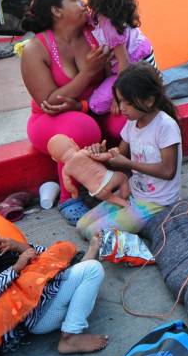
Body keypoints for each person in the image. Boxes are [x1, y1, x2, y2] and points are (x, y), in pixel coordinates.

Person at [0, 205, 109, 355]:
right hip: (37, 315)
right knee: (92, 270)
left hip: (47, 293)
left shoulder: (0, 248)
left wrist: (18, 247)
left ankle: (86, 262)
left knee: (62, 265)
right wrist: (16, 268)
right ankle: (71, 336)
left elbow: (43, 257)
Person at [20, 0, 124, 224]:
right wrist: (87, 73)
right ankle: (69, 197)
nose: (84, 4)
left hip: (94, 108)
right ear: (57, 11)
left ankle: (125, 176)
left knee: (125, 121)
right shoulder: (36, 49)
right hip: (50, 121)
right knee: (81, 127)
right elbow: (51, 101)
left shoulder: (95, 32)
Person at [77, 64, 182, 240]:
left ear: (149, 100)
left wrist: (127, 164)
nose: (122, 108)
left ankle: (144, 230)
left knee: (92, 233)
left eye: (128, 102)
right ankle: (133, 226)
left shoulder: (165, 126)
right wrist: (102, 155)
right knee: (81, 226)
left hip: (157, 203)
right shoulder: (133, 122)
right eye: (119, 101)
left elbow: (167, 171)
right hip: (134, 193)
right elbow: (119, 154)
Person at [84, 0, 155, 116]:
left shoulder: (111, 26)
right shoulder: (99, 15)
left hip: (134, 68)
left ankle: (134, 96)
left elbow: (124, 64)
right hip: (137, 61)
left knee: (95, 104)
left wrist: (118, 97)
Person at [48, 135, 130, 209]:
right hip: (109, 179)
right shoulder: (83, 152)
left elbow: (68, 186)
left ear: (55, 159)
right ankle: (126, 196)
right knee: (123, 177)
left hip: (98, 192)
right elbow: (100, 157)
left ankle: (125, 204)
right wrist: (112, 154)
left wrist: (74, 193)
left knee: (111, 198)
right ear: (73, 143)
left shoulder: (65, 170)